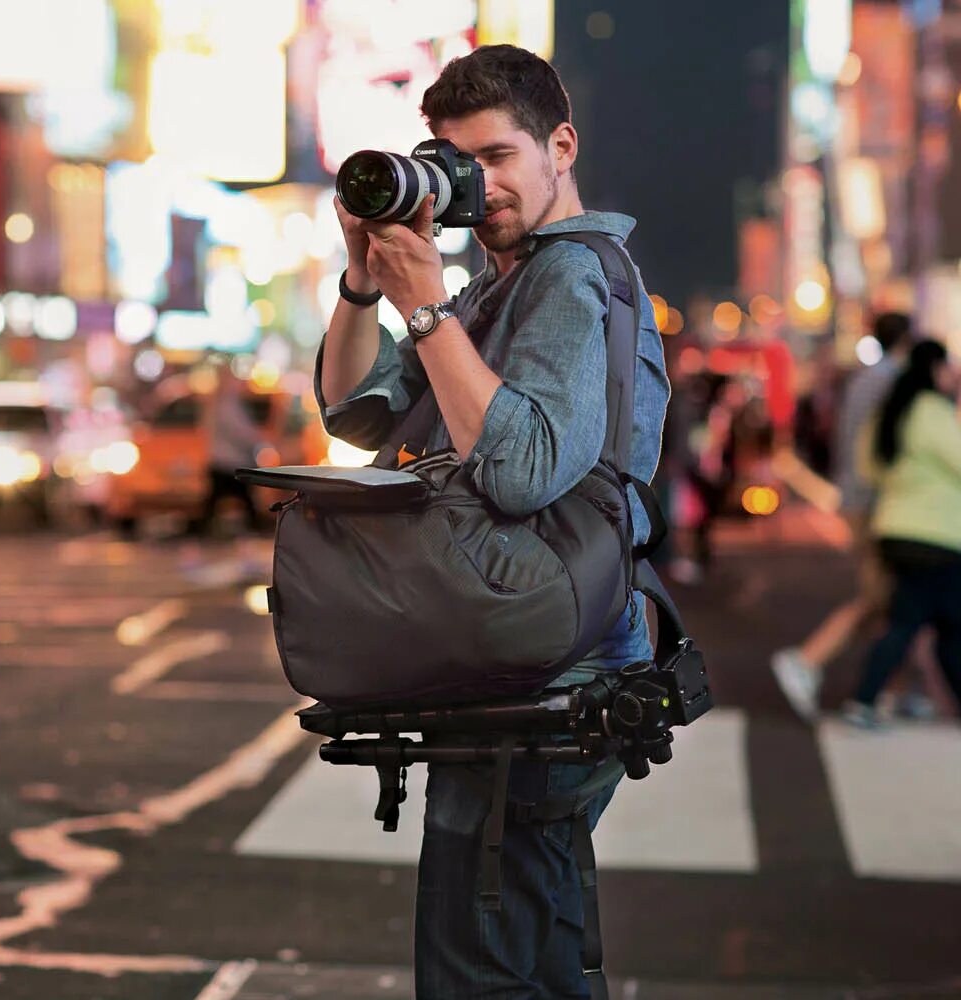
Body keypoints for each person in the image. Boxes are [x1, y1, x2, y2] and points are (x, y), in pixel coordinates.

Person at [315, 45, 669, 997]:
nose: (480, 184)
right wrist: (363, 282)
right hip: (522, 651)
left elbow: (521, 471)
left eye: (499, 157)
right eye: (455, 161)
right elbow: (354, 409)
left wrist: (427, 306)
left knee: (488, 959)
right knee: (527, 939)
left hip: (552, 667)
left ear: (562, 146)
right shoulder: (495, 282)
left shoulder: (570, 277)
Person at [771, 313, 917, 721]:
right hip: (875, 502)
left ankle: (894, 687)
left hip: (857, 496)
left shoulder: (861, 380)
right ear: (905, 340)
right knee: (880, 595)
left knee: (893, 597)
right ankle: (806, 660)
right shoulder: (894, 381)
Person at [839, 340, 961, 728]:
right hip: (936, 535)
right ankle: (863, 699)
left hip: (895, 528)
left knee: (935, 621)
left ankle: (871, 698)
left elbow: (869, 467)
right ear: (935, 369)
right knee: (920, 623)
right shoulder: (931, 411)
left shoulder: (891, 411)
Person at [196, 368, 267, 535]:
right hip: (231, 461)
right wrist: (258, 441)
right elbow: (240, 432)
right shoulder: (227, 405)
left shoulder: (216, 404)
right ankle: (254, 525)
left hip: (221, 458)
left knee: (220, 497)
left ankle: (205, 528)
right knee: (241, 495)